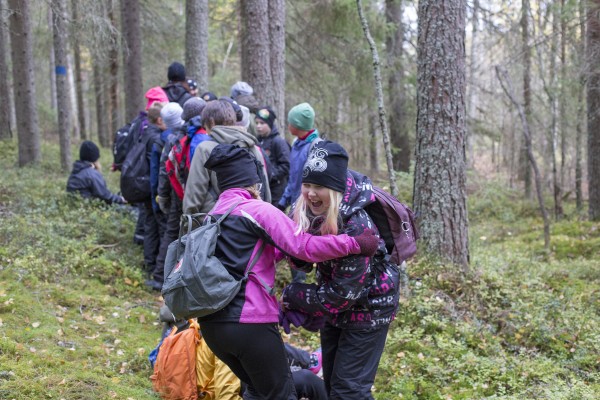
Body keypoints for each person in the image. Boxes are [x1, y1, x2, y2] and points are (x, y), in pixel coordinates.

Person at [197, 143, 380, 400]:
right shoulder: (258, 211)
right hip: (249, 324)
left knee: (257, 392)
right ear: (253, 183)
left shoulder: (214, 215)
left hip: (212, 327)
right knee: (280, 395)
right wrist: (354, 244)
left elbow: (256, 256)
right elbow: (303, 246)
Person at [280, 140, 401, 400]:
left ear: (335, 189)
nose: (311, 193)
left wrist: (294, 294)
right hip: (339, 305)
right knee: (334, 384)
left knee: (349, 390)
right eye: (308, 184)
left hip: (370, 307)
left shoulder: (357, 226)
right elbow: (301, 258)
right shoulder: (306, 210)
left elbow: (339, 297)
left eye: (320, 186)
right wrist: (298, 251)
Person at [182, 99, 272, 215]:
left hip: (217, 222)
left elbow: (194, 193)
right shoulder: (252, 146)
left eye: (205, 127)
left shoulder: (205, 148)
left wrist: (188, 221)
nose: (206, 132)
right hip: (252, 219)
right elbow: (265, 189)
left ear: (211, 122)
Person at [277, 102, 320, 212]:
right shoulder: (296, 144)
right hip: (295, 206)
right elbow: (293, 179)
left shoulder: (316, 146)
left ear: (298, 125)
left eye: (290, 123)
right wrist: (283, 202)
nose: (288, 125)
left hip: (309, 208)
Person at [66, 141, 126, 205]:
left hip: (77, 208)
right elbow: (105, 196)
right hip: (90, 208)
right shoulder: (91, 173)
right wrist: (120, 199)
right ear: (94, 158)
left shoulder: (76, 171)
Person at [255, 106, 290, 206]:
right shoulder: (257, 141)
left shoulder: (278, 142)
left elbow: (286, 165)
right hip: (263, 188)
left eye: (262, 123)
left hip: (276, 190)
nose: (258, 126)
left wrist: (271, 175)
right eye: (257, 123)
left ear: (269, 124)